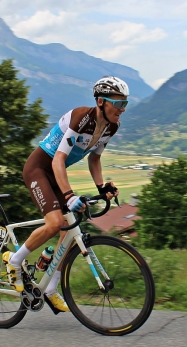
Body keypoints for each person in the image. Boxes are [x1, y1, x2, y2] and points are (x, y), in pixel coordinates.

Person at [7, 76, 129, 313]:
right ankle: (14, 261)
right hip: (39, 169)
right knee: (54, 224)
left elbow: (95, 158)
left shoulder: (112, 126)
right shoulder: (82, 118)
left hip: (55, 173)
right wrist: (69, 195)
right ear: (101, 102)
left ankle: (51, 287)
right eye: (118, 104)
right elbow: (58, 160)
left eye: (125, 104)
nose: (122, 110)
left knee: (70, 226)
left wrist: (102, 188)